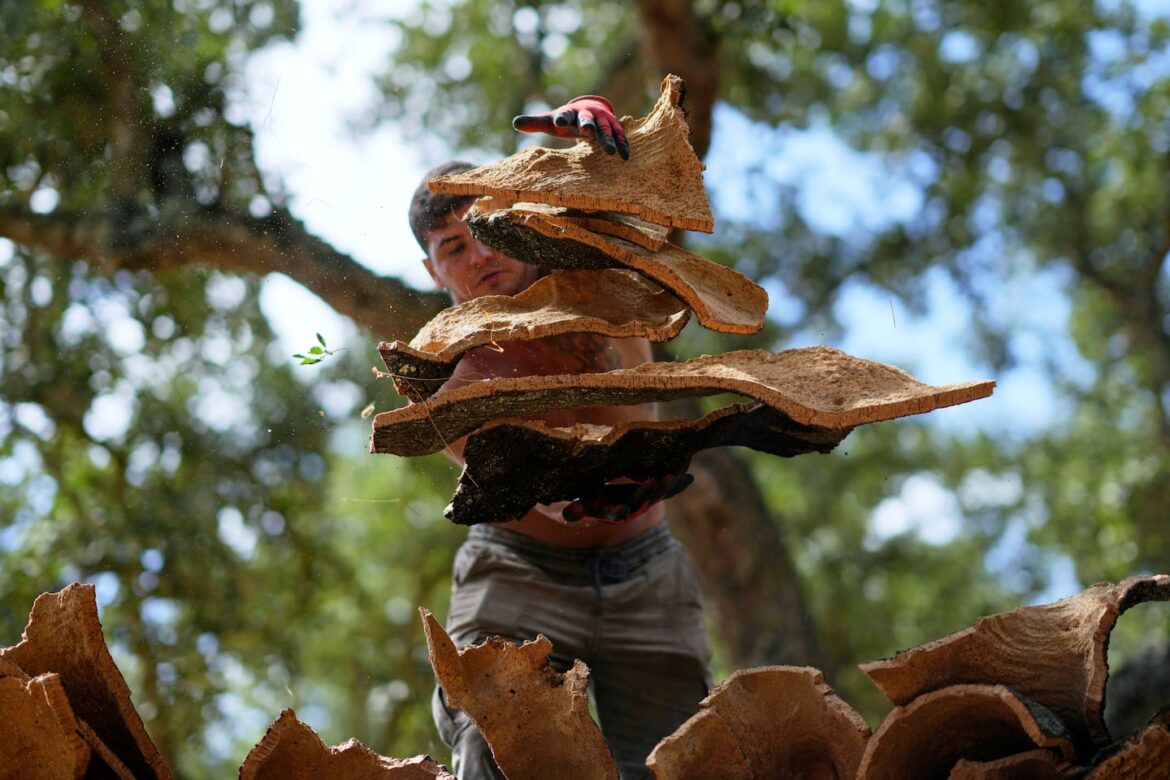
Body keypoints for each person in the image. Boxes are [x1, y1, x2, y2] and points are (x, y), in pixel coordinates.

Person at [410, 95, 712, 780]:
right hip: (517, 574)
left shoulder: (599, 275)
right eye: (452, 247)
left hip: (649, 572)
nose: (478, 254)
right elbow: (515, 474)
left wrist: (596, 134)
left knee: (683, 764)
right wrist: (561, 492)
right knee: (499, 742)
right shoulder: (447, 374)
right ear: (433, 272)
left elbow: (621, 190)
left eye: (486, 227)